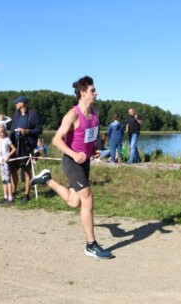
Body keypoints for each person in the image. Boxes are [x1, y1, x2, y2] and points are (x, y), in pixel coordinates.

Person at [30, 76, 113, 259]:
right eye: (93, 90)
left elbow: (90, 136)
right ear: (83, 93)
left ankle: (47, 180)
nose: (96, 92)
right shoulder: (73, 115)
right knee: (88, 198)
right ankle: (91, 245)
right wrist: (75, 154)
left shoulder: (95, 112)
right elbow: (56, 140)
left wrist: (95, 150)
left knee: (75, 202)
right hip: (71, 161)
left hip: (85, 162)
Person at [9, 95, 43, 203]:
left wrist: (27, 131)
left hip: (27, 146)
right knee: (13, 170)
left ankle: (26, 195)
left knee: (27, 171)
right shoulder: (16, 114)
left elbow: (39, 129)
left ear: (23, 103)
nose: (15, 104)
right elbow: (12, 130)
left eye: (17, 102)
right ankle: (13, 194)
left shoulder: (33, 114)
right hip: (15, 146)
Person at [0, 125, 16, 204]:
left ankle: (10, 197)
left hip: (6, 162)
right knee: (3, 180)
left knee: (8, 180)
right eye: (0, 132)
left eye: (3, 132)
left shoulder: (7, 139)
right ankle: (5, 196)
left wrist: (8, 156)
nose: (2, 133)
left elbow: (14, 149)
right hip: (1, 162)